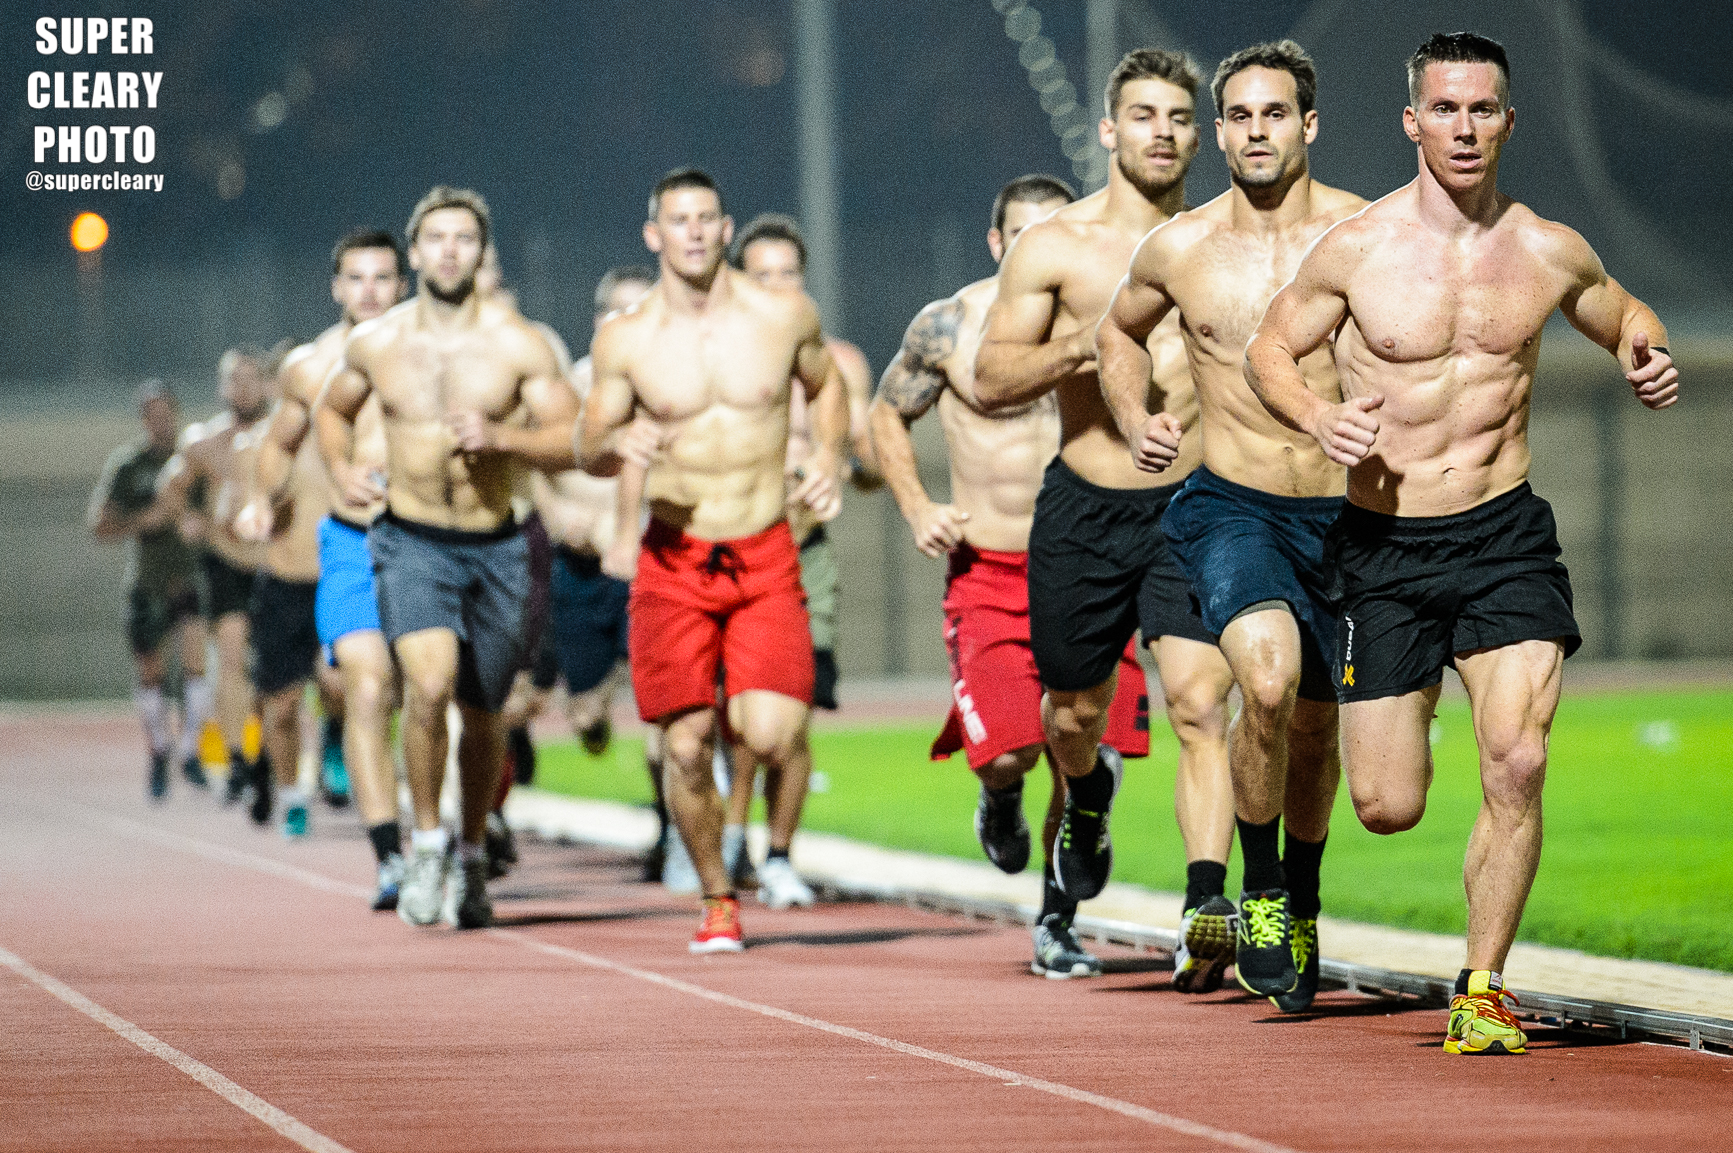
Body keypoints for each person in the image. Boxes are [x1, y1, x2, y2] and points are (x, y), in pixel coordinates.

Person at [1244, 32, 1679, 1054]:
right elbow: (1270, 344)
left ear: (1508, 121)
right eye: (1443, 108)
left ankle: (1480, 987)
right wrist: (1313, 414)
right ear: (1410, 121)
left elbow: (1619, 311)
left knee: (1519, 757)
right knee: (1386, 803)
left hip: (1501, 535)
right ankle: (1411, 705)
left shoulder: (1544, 248)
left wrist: (1640, 351)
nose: (1463, 127)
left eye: (1481, 109)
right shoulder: (1356, 246)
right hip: (1384, 545)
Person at [1099, 40, 1366, 1008]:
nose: (1256, 131)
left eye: (1274, 113)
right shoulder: (1178, 247)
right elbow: (1115, 333)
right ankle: (1255, 890)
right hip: (1233, 504)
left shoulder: (1362, 232)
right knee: (1263, 680)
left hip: (1346, 512)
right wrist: (1136, 418)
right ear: (1218, 133)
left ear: (1307, 123)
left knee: (1317, 731)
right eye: (1238, 117)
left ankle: (1301, 896)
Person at [974, 50, 1237, 961]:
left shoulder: (1228, 236)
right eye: (1143, 115)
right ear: (1108, 130)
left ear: (1196, 135)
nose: (1161, 131)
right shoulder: (1056, 246)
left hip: (1198, 508)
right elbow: (992, 374)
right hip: (1086, 506)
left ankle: (1208, 906)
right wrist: (1089, 349)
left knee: (1202, 702)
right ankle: (1084, 797)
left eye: (1176, 117)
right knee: (1072, 717)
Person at [876, 173, 1159, 978]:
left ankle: (1055, 919)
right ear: (999, 244)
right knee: (1011, 753)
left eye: (1055, 230)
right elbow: (884, 413)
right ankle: (998, 795)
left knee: (1082, 743)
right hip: (991, 569)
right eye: (1023, 235)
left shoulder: (1124, 319)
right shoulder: (950, 326)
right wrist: (914, 503)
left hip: (1088, 556)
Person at [579, 168, 846, 952]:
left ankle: (766, 845)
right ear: (652, 234)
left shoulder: (783, 313)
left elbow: (826, 386)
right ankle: (717, 896)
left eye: (705, 218)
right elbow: (585, 442)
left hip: (764, 546)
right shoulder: (625, 337)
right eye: (677, 220)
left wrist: (826, 452)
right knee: (687, 744)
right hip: (674, 555)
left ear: (725, 229)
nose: (692, 232)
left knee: (768, 730)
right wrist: (613, 444)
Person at [315, 186, 578, 929]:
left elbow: (572, 440)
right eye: (436, 237)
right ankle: (424, 839)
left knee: (484, 711)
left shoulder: (517, 342)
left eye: (464, 238)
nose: (450, 250)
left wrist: (503, 438)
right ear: (416, 251)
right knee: (425, 685)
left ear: (480, 251)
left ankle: (469, 852)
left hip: (495, 544)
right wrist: (340, 472)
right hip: (412, 537)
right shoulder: (379, 341)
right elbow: (330, 411)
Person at [239, 230, 408, 897]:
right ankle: (391, 851)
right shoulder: (310, 366)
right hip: (351, 543)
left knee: (435, 693)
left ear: (403, 284)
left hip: (431, 542)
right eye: (356, 279)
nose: (369, 291)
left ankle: (457, 831)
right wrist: (259, 496)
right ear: (336, 286)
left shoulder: (429, 356)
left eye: (383, 278)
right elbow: (278, 447)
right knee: (366, 688)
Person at [716, 213, 877, 905]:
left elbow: (866, 461)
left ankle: (778, 853)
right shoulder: (718, 354)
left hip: (804, 551)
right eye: (763, 274)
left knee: (794, 712)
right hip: (730, 550)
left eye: (790, 274)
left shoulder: (838, 362)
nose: (779, 286)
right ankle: (729, 831)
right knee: (738, 718)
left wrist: (841, 459)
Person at [154, 347, 274, 809]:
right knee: (230, 656)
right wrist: (189, 518)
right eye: (233, 378)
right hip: (225, 560)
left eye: (250, 377)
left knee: (272, 671)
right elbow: (170, 485)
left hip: (276, 560)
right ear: (221, 386)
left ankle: (265, 748)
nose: (242, 387)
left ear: (265, 382)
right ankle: (240, 759)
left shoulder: (285, 434)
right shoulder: (204, 441)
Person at [88, 380, 211, 799]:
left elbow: (218, 510)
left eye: (167, 412)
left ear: (175, 412)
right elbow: (100, 525)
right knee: (151, 672)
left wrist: (201, 525)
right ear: (143, 419)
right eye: (152, 414)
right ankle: (159, 750)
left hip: (189, 578)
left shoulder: (195, 458)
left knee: (197, 661)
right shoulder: (128, 466)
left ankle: (191, 750)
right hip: (147, 583)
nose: (161, 421)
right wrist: (143, 520)